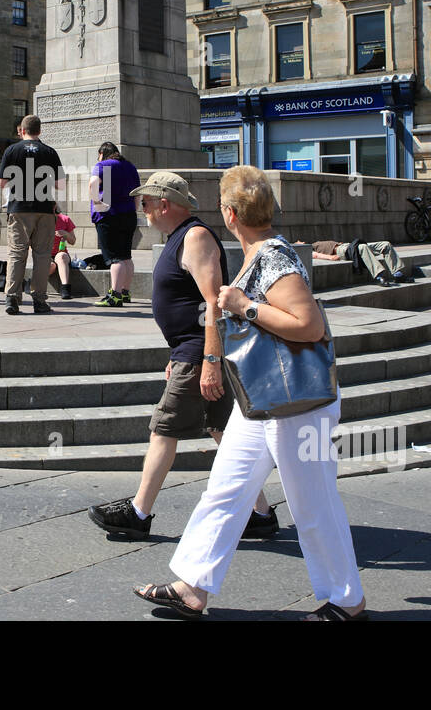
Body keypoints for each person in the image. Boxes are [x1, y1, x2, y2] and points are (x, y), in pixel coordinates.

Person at [133, 165, 367, 621]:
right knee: (226, 487)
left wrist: (244, 305)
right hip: (262, 397)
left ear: (230, 213)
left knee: (313, 502)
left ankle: (348, 602)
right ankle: (192, 587)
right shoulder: (259, 251)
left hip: (296, 403)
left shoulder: (274, 257)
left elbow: (308, 325)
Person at [88, 171, 277, 542]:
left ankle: (139, 513)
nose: (142, 209)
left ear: (164, 203)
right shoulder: (181, 238)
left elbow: (213, 303)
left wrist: (208, 362)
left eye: (145, 202)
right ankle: (261, 513)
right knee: (223, 431)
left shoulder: (195, 237)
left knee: (163, 428)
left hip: (199, 352)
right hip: (190, 351)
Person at [0, 114, 64, 315]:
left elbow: (2, 183)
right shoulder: (50, 152)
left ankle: (12, 299)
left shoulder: (11, 150)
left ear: (22, 130)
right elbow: (60, 185)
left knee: (17, 253)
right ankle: (40, 301)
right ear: (39, 131)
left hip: (19, 209)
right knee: (42, 256)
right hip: (44, 210)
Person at [88, 142, 141, 307]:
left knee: (114, 258)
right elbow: (137, 193)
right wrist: (134, 209)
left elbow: (92, 184)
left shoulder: (102, 165)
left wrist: (97, 202)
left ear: (102, 153)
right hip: (128, 215)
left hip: (108, 216)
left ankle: (115, 295)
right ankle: (125, 292)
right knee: (126, 256)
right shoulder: (130, 167)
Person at [301, 238, 408, 287]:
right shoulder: (309, 249)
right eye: (297, 242)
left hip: (349, 246)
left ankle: (397, 273)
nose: (300, 241)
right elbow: (315, 255)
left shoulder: (314, 242)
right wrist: (330, 257)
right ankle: (379, 276)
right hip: (342, 251)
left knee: (385, 244)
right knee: (363, 247)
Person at [50, 211, 77, 300]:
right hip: (45, 254)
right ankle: (33, 282)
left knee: (62, 257)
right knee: (51, 266)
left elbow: (72, 241)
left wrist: (66, 233)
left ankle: (65, 289)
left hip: (60, 253)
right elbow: (31, 244)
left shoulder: (65, 219)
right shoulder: (40, 220)